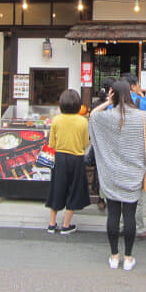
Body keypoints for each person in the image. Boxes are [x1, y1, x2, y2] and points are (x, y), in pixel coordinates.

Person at [89, 80, 146, 271]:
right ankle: (128, 257)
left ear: (113, 94)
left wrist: (107, 103)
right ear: (130, 93)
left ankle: (113, 255)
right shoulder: (143, 117)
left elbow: (92, 117)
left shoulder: (106, 117)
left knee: (113, 215)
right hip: (133, 173)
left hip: (111, 173)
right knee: (129, 216)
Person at [45, 89, 91, 235]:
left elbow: (51, 143)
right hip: (76, 158)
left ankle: (52, 224)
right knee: (74, 190)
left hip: (59, 157)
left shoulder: (56, 120)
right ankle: (66, 225)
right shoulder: (82, 121)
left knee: (56, 188)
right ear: (78, 105)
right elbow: (85, 143)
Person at [120, 72, 146, 238]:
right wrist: (143, 96)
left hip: (119, 151)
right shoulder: (140, 101)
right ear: (133, 86)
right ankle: (137, 227)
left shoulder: (113, 103)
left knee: (120, 188)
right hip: (138, 152)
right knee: (138, 190)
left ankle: (121, 224)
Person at [90, 76, 116, 210]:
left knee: (98, 169)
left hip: (98, 142)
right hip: (110, 142)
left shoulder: (96, 104)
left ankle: (100, 198)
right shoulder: (113, 104)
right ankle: (109, 196)